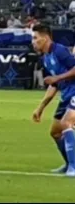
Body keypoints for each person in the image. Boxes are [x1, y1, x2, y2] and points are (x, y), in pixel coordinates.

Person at [31, 24, 75, 177]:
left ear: (45, 38)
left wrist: (58, 77)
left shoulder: (59, 51)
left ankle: (74, 167)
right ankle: (69, 163)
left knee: (66, 123)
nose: (33, 42)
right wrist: (40, 108)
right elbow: (54, 85)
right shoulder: (46, 58)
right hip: (67, 95)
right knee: (55, 132)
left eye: (35, 38)